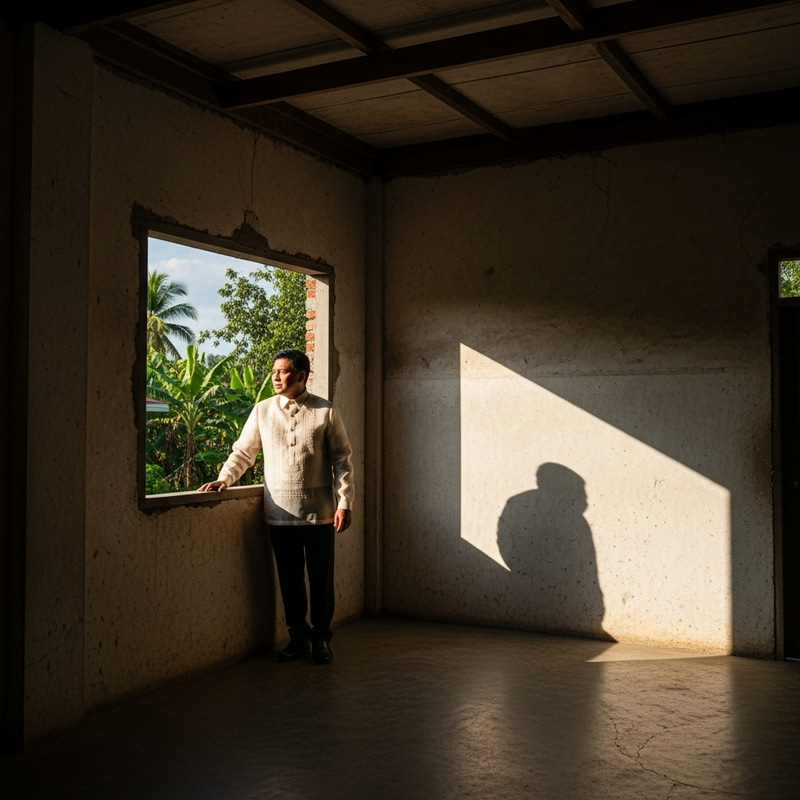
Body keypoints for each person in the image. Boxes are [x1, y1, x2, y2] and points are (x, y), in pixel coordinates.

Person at [199, 349, 354, 665]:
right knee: (290, 581)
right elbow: (244, 452)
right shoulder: (262, 411)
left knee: (321, 581)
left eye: (283, 371)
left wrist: (345, 502)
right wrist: (224, 479)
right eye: (274, 372)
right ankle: (298, 637)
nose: (276, 377)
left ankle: (321, 640)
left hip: (321, 514)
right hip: (279, 514)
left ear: (301, 375)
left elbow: (342, 460)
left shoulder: (325, 411)